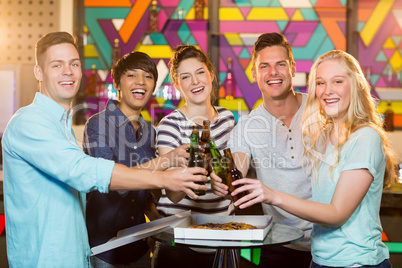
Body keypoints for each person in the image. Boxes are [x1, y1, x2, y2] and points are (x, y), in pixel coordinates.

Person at [1, 31, 207, 267]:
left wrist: (158, 220)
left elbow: (143, 195)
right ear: (39, 72)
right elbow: (86, 172)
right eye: (57, 65)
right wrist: (164, 171)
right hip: (53, 258)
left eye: (74, 64)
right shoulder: (30, 122)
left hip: (85, 255)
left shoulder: (63, 127)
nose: (68, 71)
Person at [231, 50, 395, 267]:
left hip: (357, 262)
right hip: (319, 260)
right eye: (320, 83)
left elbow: (337, 213)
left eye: (337, 81)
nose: (327, 91)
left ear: (355, 85)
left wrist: (271, 195)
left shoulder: (365, 137)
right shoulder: (323, 136)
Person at [211, 32, 312, 267]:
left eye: (280, 65)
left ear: (293, 69)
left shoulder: (319, 109)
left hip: (331, 242)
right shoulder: (247, 126)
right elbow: (236, 169)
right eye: (264, 66)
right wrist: (223, 180)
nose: (273, 73)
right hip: (281, 245)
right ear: (254, 74)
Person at [152, 45, 235, 268]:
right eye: (185, 77)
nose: (195, 82)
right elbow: (173, 194)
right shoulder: (170, 125)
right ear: (178, 85)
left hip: (222, 239)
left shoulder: (228, 119)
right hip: (179, 245)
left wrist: (227, 183)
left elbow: (234, 179)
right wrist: (202, 166)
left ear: (211, 75)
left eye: (200, 72)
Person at [83, 51, 169, 267]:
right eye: (132, 75)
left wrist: (152, 210)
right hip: (104, 250)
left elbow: (144, 184)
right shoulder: (98, 125)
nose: (141, 82)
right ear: (118, 83)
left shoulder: (150, 132)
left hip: (139, 247)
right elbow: (110, 181)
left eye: (148, 76)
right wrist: (167, 161)